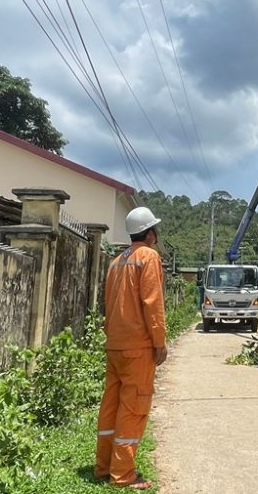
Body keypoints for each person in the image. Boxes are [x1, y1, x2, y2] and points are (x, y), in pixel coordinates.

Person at [95, 206, 168, 489]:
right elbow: (152, 302)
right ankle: (123, 474)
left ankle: (104, 467)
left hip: (115, 345)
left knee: (111, 405)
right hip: (137, 348)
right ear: (149, 233)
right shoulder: (148, 257)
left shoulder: (116, 262)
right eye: (155, 230)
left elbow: (108, 303)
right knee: (133, 407)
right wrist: (159, 342)